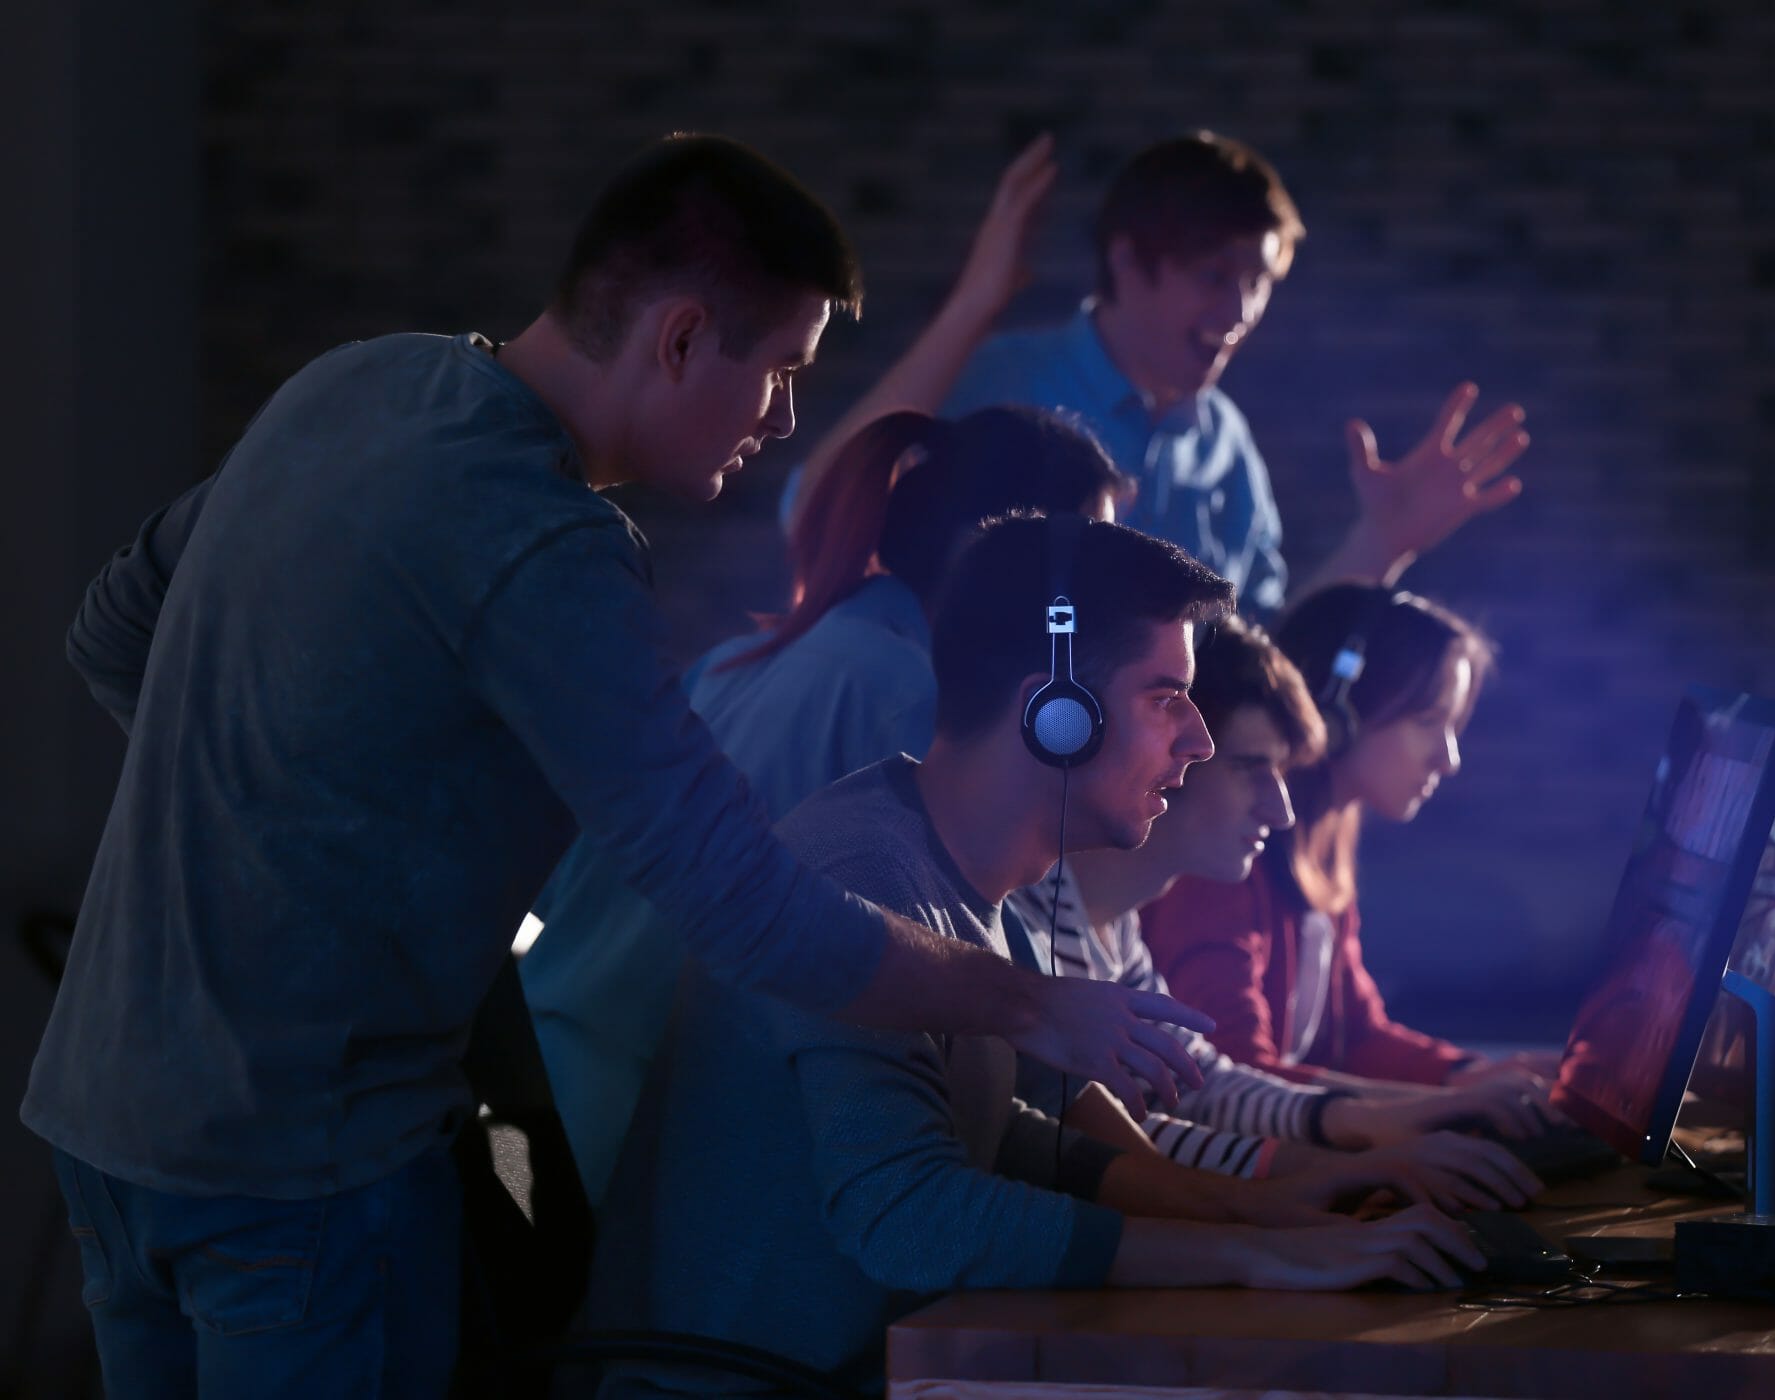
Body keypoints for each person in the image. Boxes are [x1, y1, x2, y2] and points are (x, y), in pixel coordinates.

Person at [29, 134, 1210, 1399]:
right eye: (783, 373)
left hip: (108, 1112)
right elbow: (741, 902)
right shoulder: (548, 547)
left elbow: (112, 626)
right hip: (300, 1160)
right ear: (682, 336)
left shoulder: (357, 382)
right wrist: (1033, 1004)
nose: (787, 422)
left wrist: (260, 817)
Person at [576, 515, 1487, 1397]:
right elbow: (910, 1216)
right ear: (1055, 712)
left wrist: (1271, 1211)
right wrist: (1263, 1254)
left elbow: (1008, 1135)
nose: (1200, 740)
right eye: (1167, 697)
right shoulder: (866, 872)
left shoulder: (981, 893)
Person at [522, 404, 1125, 1201]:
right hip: (655, 1147)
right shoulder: (917, 701)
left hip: (553, 1090)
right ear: (1004, 557)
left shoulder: (740, 661)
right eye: (1096, 565)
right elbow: (1030, 1035)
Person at [785, 130, 1531, 616]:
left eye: (1260, 280)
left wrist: (1383, 542)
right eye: (1213, 273)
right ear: (1127, 259)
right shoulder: (1003, 384)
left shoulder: (1227, 448)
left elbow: (1254, 665)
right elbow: (815, 515)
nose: (1240, 308)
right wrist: (974, 303)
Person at [1008, 614, 1547, 1206]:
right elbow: (1109, 1146)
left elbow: (1203, 1086)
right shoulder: (1031, 928)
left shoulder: (1117, 928)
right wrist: (1325, 1168)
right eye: (1249, 768)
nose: (1282, 809)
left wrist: (1386, 1116)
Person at [1141, 584, 1556, 1093]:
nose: (1448, 759)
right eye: (1428, 722)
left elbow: (1357, 1035)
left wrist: (1474, 1075)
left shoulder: (1330, 837)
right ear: (1341, 713)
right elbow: (1232, 1075)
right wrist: (1435, 1108)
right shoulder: (1229, 849)